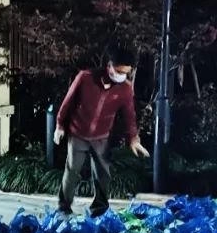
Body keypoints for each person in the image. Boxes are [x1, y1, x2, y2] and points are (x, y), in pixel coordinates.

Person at [54, 46, 150, 217]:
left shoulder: (125, 89)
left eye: (125, 73)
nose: (121, 76)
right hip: (78, 133)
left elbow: (129, 115)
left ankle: (99, 209)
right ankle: (64, 207)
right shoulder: (85, 78)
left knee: (103, 174)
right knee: (72, 170)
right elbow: (67, 102)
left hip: (101, 137)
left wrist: (133, 139)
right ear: (109, 66)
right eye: (119, 71)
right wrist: (60, 125)